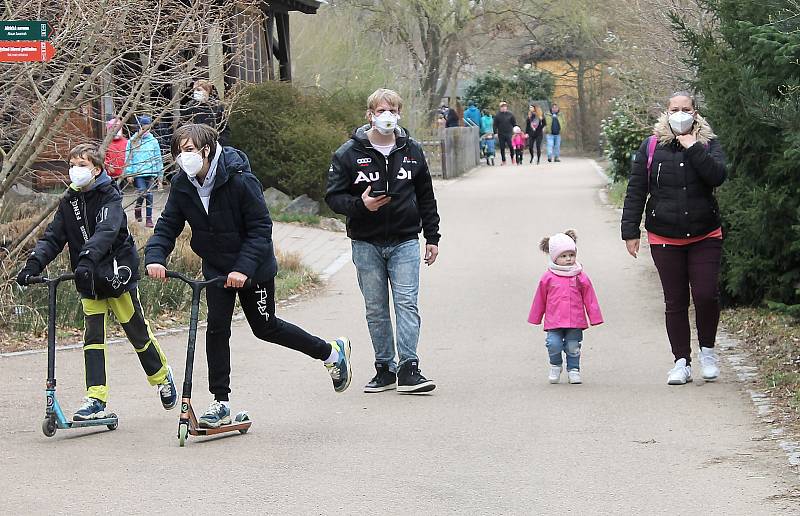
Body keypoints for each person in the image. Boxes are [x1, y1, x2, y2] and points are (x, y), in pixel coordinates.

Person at [145, 124, 351, 428]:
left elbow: (260, 228)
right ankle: (221, 403)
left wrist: (243, 268)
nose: (182, 157)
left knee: (266, 327)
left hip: (252, 268)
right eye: (178, 151)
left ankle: (331, 353)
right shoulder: (182, 184)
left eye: (188, 150)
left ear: (206, 149)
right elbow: (168, 224)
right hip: (215, 267)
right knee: (216, 329)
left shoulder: (240, 179)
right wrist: (155, 257)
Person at [16, 143, 177, 420]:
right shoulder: (69, 200)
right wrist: (33, 263)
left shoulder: (109, 196)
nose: (75, 171)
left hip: (115, 275)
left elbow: (107, 229)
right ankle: (96, 398)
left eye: (81, 165)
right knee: (92, 338)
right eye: (72, 165)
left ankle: (162, 377)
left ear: (97, 169)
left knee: (137, 332)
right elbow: (54, 237)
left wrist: (88, 257)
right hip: (87, 280)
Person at [325, 88, 441, 394]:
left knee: (406, 303)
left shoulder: (412, 150)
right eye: (380, 110)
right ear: (370, 115)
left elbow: (426, 196)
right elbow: (333, 197)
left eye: (392, 110)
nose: (386, 115)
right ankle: (385, 367)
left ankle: (409, 367)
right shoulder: (348, 153)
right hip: (366, 242)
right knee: (376, 308)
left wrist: (432, 236)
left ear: (399, 114)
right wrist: (361, 206)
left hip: (405, 241)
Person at [621, 91, 727, 385]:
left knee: (706, 295)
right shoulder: (652, 146)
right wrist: (630, 231)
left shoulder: (708, 143)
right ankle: (681, 361)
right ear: (666, 113)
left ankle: (708, 351)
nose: (680, 114)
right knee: (675, 301)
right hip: (664, 235)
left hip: (705, 233)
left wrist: (693, 147)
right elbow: (636, 189)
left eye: (686, 109)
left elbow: (717, 176)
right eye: (674, 109)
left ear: (695, 113)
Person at [528, 230, 603, 384]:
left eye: (571, 255)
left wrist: (594, 317)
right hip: (554, 320)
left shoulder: (580, 276)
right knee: (553, 344)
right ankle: (555, 365)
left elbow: (590, 297)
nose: (569, 259)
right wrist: (536, 317)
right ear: (555, 258)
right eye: (563, 256)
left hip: (575, 319)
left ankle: (574, 369)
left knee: (573, 346)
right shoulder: (548, 277)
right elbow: (540, 299)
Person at [125, 115, 163, 228]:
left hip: (150, 172)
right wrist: (129, 173)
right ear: (139, 127)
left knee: (149, 195)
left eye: (148, 128)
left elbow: (158, 158)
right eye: (143, 128)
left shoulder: (153, 141)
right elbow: (128, 157)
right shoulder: (133, 141)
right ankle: (138, 208)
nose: (145, 130)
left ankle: (149, 219)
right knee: (142, 191)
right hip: (138, 173)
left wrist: (160, 176)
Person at [184, 79, 231, 145]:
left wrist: (219, 143)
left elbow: (224, 129)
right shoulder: (189, 107)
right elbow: (182, 127)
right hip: (196, 144)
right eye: (194, 90)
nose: (195, 92)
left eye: (199, 90)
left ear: (207, 91)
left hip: (214, 144)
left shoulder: (217, 107)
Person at [103, 117, 127, 181]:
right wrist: (108, 166)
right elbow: (104, 156)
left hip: (123, 172)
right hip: (111, 173)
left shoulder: (126, 142)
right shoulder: (107, 143)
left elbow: (129, 155)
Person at [493, 101, 517, 165]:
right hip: (501, 133)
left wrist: (516, 131)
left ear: (506, 107)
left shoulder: (510, 114)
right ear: (500, 108)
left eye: (505, 107)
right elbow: (495, 125)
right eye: (502, 107)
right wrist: (495, 132)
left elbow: (514, 123)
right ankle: (504, 160)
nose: (504, 108)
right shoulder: (497, 115)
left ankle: (512, 158)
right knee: (502, 147)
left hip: (509, 133)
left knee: (511, 146)